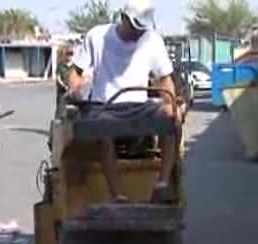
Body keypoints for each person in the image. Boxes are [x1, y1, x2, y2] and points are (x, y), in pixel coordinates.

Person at [67, 0, 182, 204]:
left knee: (173, 116)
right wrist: (75, 89)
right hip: (104, 106)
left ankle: (162, 185)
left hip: (139, 107)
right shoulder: (97, 36)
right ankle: (118, 195)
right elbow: (76, 74)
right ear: (123, 18)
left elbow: (165, 80)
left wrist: (172, 106)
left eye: (142, 28)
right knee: (101, 127)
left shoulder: (152, 40)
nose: (138, 33)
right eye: (135, 27)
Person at [55, 44, 74, 118]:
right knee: (60, 109)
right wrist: (64, 86)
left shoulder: (75, 66)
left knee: (73, 110)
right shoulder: (60, 66)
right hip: (62, 91)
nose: (69, 56)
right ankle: (58, 125)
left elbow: (80, 77)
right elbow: (58, 78)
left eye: (71, 54)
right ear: (65, 55)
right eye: (68, 54)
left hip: (72, 91)